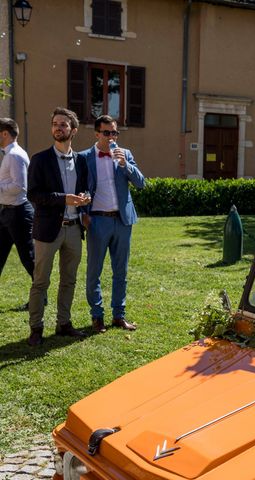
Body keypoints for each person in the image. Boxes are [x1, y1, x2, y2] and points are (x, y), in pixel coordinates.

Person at [27, 107, 91, 346]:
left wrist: (84, 199)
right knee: (40, 281)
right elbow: (33, 194)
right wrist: (64, 198)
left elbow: (85, 188)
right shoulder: (40, 159)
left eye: (63, 124)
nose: (58, 128)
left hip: (74, 229)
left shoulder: (81, 161)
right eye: (55, 123)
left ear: (73, 130)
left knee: (69, 280)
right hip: (47, 230)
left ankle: (63, 323)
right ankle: (36, 327)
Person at [80, 115, 145, 333]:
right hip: (97, 221)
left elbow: (141, 183)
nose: (111, 137)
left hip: (123, 221)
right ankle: (97, 316)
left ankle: (119, 315)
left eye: (114, 133)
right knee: (94, 272)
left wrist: (125, 165)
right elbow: (79, 187)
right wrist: (83, 215)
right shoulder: (85, 157)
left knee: (121, 272)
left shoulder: (124, 154)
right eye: (106, 133)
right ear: (97, 133)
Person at [0, 118, 35, 309]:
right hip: (7, 212)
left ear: (5, 133)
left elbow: (19, 186)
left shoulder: (14, 155)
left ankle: (40, 297)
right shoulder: (10, 154)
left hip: (18, 213)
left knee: (28, 257)